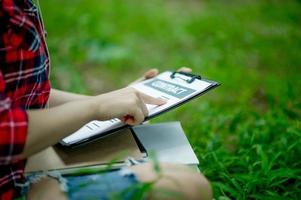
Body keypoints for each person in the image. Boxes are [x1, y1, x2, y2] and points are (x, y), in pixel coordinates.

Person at [0, 0, 212, 199]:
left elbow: (27, 97)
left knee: (170, 160)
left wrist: (111, 102)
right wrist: (96, 107)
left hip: (32, 155)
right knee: (186, 185)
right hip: (13, 178)